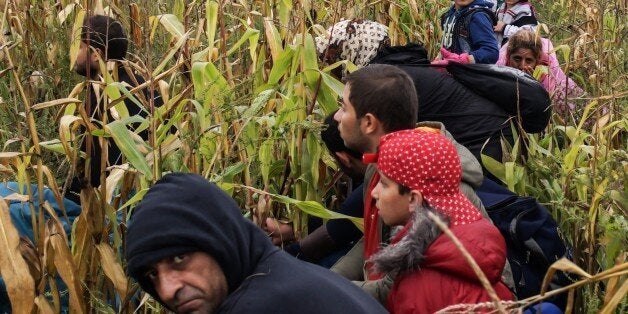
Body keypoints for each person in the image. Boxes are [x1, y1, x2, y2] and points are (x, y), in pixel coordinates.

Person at [330, 64, 488, 302]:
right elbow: (375, 238)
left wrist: (323, 290)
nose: (336, 116)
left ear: (369, 123)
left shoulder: (433, 189)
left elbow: (393, 290)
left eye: (343, 107)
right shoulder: (378, 165)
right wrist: (330, 279)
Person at [125, 173, 388, 314]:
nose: (168, 290)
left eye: (179, 259)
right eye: (152, 275)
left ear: (220, 241)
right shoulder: (287, 276)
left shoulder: (260, 305)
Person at [316, 19, 516, 164]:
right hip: (490, 134)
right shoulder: (395, 69)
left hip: (485, 146)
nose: (332, 65)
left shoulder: (386, 84)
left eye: (334, 56)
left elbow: (391, 157)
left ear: (351, 50)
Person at [369, 129, 513, 313]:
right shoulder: (471, 240)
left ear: (414, 199)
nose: (374, 193)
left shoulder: (418, 286)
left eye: (384, 183)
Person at [67, 15, 161, 204]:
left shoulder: (102, 98)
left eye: (79, 47)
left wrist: (66, 194)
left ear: (96, 54)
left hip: (111, 204)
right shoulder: (143, 87)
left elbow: (95, 171)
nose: (73, 55)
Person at [264, 112, 366, 267]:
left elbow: (338, 229)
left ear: (343, 158)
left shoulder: (370, 187)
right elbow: (343, 216)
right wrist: (292, 228)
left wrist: (272, 262)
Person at [496, 29, 584, 117]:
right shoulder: (499, 73)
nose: (522, 66)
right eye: (517, 59)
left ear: (537, 61)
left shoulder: (551, 76)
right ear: (509, 57)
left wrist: (533, 85)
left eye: (529, 60)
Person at [437, 0, 499, 64]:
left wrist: (466, 59)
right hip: (451, 70)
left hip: (467, 72)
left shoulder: (478, 16)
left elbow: (491, 52)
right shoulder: (448, 14)